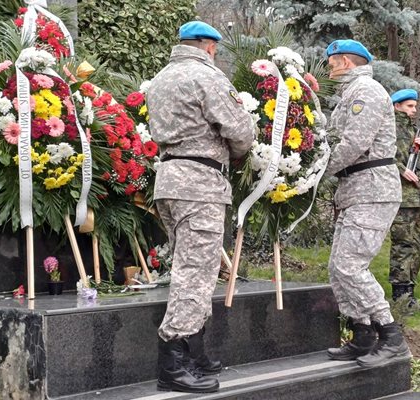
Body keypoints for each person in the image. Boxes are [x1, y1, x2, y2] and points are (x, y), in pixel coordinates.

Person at [145, 21, 254, 393]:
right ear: (208, 46)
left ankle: (194, 350)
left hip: (170, 180)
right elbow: (240, 130)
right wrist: (239, 156)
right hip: (200, 184)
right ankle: (173, 362)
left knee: (189, 266)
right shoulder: (207, 77)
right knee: (196, 271)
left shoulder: (160, 79)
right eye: (216, 49)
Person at [324, 39, 410, 368]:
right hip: (356, 189)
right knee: (338, 267)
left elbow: (353, 142)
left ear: (345, 61)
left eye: (331, 63)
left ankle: (391, 337)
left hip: (372, 189)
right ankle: (362, 334)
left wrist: (318, 172)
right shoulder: (352, 92)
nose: (330, 69)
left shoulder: (367, 91)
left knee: (350, 266)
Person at [388, 89, 420, 315]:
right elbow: (383, 156)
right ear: (397, 106)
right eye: (409, 106)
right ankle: (400, 298)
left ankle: (410, 297)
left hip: (419, 198)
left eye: (415, 106)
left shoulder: (413, 128)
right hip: (402, 199)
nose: (414, 109)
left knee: (417, 247)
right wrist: (401, 170)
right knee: (402, 248)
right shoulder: (389, 127)